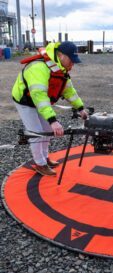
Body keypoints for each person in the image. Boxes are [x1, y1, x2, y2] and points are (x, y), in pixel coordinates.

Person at [12, 41, 88, 176]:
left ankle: (45, 158)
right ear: (61, 55)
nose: (73, 64)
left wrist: (80, 108)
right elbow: (39, 96)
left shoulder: (61, 69)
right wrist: (53, 120)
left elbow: (69, 91)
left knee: (47, 130)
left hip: (41, 101)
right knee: (36, 132)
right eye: (71, 60)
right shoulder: (38, 68)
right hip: (26, 101)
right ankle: (40, 164)